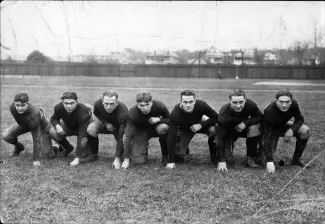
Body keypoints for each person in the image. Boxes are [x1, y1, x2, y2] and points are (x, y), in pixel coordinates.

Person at [260, 90, 311, 177]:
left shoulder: (294, 104)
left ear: (291, 101)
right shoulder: (269, 111)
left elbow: (300, 119)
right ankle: (259, 153)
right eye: (281, 102)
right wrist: (269, 161)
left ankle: (296, 159)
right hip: (271, 130)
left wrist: (291, 130)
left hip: (284, 125)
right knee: (266, 160)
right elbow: (266, 136)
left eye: (287, 102)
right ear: (276, 101)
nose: (284, 105)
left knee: (305, 131)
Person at [166, 90, 218, 169]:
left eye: (191, 102)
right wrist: (171, 161)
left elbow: (216, 117)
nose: (188, 105)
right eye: (185, 102)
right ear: (181, 102)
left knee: (213, 129)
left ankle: (214, 154)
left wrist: (201, 124)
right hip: (186, 130)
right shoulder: (175, 114)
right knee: (178, 158)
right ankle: (185, 148)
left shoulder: (201, 105)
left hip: (200, 124)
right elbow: (171, 136)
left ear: (195, 101)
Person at [214, 89, 263, 172]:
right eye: (235, 103)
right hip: (228, 131)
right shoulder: (224, 114)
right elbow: (219, 137)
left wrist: (245, 123)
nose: (238, 106)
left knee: (255, 129)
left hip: (243, 129)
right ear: (229, 101)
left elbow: (260, 117)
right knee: (227, 159)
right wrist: (221, 160)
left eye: (241, 102)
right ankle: (230, 143)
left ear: (245, 100)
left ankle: (250, 157)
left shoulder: (251, 105)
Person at [2, 93, 56, 167]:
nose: (20, 108)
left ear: (27, 104)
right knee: (6, 135)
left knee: (48, 154)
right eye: (17, 105)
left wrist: (36, 159)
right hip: (25, 124)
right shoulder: (12, 107)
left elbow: (36, 138)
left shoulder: (34, 114)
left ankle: (56, 146)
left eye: (23, 105)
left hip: (41, 126)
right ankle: (19, 147)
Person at [122, 91, 170, 169]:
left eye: (147, 104)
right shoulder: (132, 113)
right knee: (138, 161)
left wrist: (159, 119)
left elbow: (171, 120)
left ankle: (165, 155)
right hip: (141, 131)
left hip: (156, 129)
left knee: (164, 127)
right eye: (142, 105)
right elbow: (128, 135)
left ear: (151, 102)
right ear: (137, 104)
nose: (145, 108)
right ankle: (143, 148)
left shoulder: (159, 106)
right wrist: (126, 159)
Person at [86, 90, 128, 169]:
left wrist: (117, 159)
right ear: (102, 101)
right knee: (91, 130)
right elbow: (96, 112)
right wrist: (106, 123)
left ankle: (120, 156)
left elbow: (120, 137)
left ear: (116, 102)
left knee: (122, 139)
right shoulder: (98, 103)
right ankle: (94, 154)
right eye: (106, 103)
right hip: (104, 122)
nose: (108, 107)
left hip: (118, 126)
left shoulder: (123, 112)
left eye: (112, 104)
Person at [50, 92, 93, 167]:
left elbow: (82, 134)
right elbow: (54, 118)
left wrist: (77, 158)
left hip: (84, 129)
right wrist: (57, 126)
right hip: (69, 126)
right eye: (66, 103)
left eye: (72, 103)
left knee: (84, 154)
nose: (69, 106)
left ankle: (89, 149)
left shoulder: (83, 110)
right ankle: (68, 147)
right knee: (54, 132)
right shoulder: (58, 107)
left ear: (77, 102)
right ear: (62, 102)